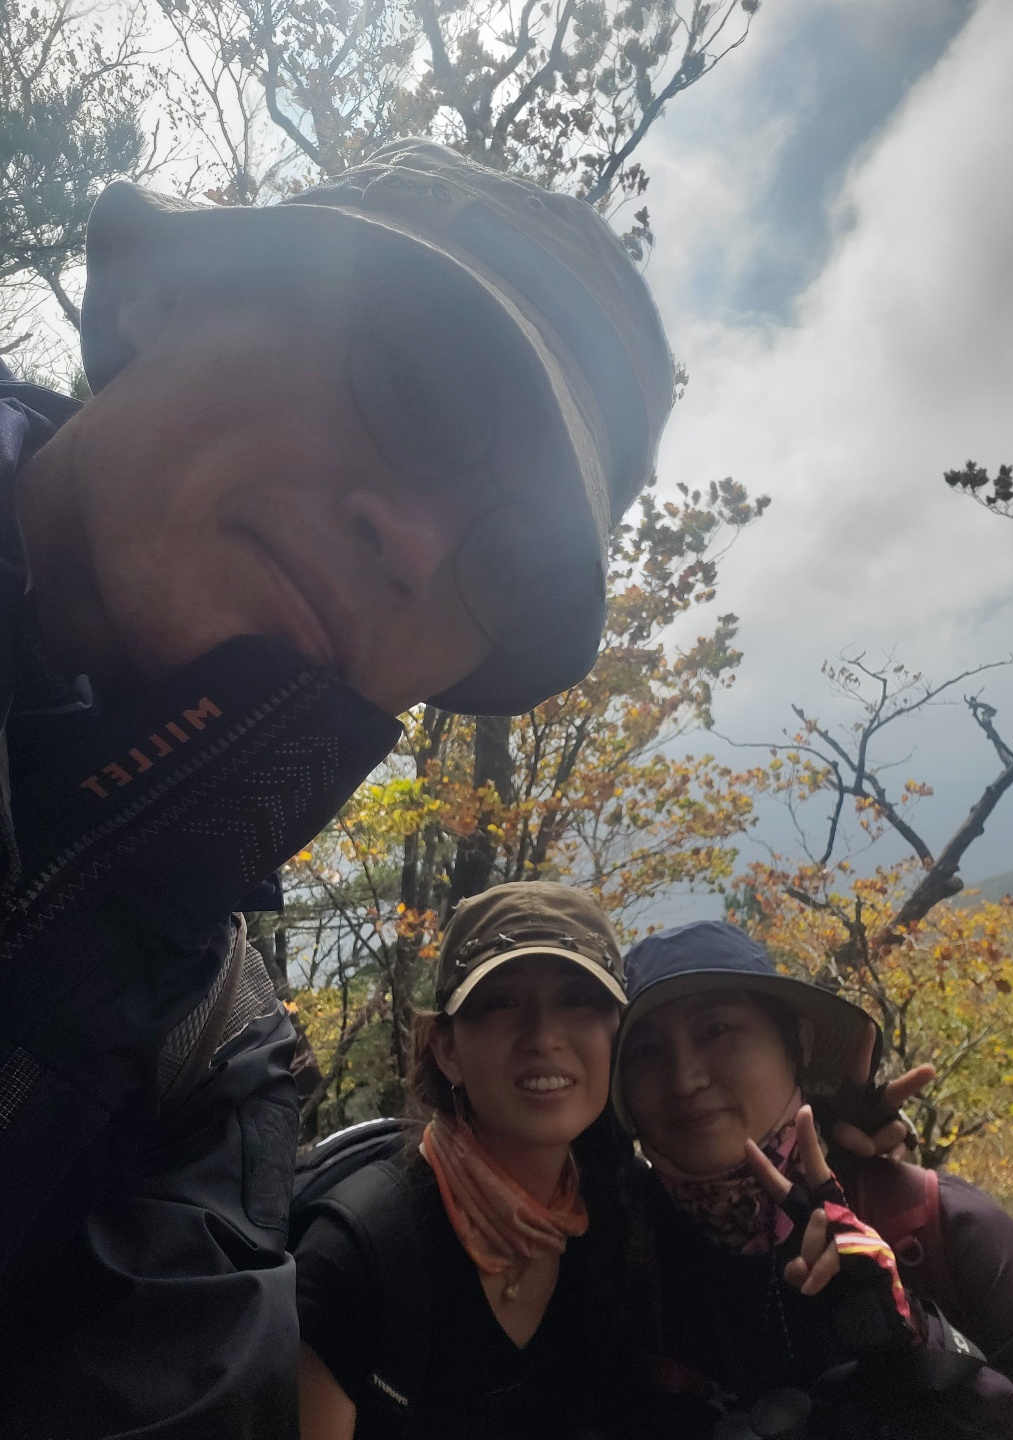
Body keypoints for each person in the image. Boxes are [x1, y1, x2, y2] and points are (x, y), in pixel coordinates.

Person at [0, 137, 675, 1439]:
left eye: (504, 568)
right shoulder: (355, 1223)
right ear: (160, 294)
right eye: (416, 387)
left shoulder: (206, 1064)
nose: (417, 547)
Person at [612, 919, 1013, 1439]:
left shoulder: (939, 1225)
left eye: (716, 1030)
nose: (685, 1078)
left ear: (798, 1043)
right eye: (645, 1051)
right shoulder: (617, 1252)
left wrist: (922, 1346)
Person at [293, 881, 633, 1440]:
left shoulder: (617, 1219)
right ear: (447, 1049)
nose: (544, 1036)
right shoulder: (357, 1259)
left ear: (618, 1035)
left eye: (577, 999)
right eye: (502, 1003)